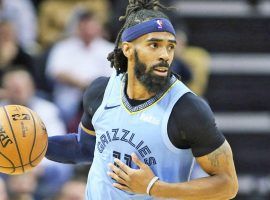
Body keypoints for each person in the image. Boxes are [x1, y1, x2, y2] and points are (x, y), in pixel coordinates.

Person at [46, 0, 238, 199]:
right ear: (128, 49)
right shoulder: (101, 91)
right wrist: (40, 145)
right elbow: (85, 148)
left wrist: (154, 187)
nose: (165, 55)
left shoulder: (187, 108)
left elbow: (228, 184)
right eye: (154, 45)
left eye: (170, 47)